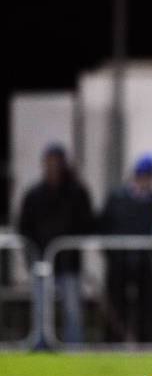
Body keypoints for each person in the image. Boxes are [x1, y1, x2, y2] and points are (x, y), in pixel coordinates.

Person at [18, 143, 94, 343]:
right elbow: (24, 228)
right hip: (42, 261)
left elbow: (87, 223)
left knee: (72, 309)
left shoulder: (77, 193)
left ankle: (73, 347)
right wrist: (30, 258)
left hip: (68, 262)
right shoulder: (34, 195)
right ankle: (41, 344)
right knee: (41, 310)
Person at [98, 154, 152, 342]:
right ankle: (113, 342)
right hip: (119, 260)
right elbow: (104, 225)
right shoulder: (117, 199)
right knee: (116, 303)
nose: (145, 180)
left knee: (146, 304)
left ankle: (146, 342)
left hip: (144, 261)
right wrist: (110, 253)